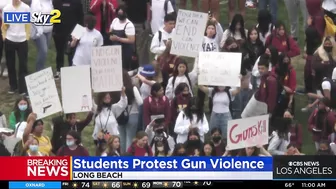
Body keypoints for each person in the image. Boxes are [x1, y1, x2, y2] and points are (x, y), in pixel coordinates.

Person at [2, 0, 30, 95]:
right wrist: (4, 36)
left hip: (22, 40)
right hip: (10, 39)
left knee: (23, 65)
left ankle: (23, 88)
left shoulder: (26, 8)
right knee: (10, 64)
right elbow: (4, 25)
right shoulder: (7, 9)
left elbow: (28, 24)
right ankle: (13, 86)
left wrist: (27, 36)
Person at [53, 0, 84, 79]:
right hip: (59, 32)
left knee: (71, 53)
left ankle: (71, 71)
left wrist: (77, 35)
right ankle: (59, 70)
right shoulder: (56, 2)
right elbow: (54, 17)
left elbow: (81, 20)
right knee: (59, 52)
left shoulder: (77, 3)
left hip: (73, 33)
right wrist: (54, 30)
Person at [123, 0, 151, 67]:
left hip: (140, 23)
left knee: (142, 48)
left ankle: (142, 67)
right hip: (132, 23)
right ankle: (132, 66)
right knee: (134, 47)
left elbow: (148, 6)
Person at [109, 5, 137, 71]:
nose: (120, 15)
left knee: (124, 69)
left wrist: (118, 39)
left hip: (125, 52)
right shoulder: (115, 21)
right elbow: (110, 31)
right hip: (115, 51)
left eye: (121, 13)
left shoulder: (129, 25)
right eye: (119, 13)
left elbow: (131, 40)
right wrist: (111, 36)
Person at [30, 0, 53, 71]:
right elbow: (34, 16)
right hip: (39, 30)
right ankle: (39, 70)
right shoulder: (36, 2)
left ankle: (42, 67)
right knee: (44, 50)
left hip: (49, 29)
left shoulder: (50, 2)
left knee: (43, 51)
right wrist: (39, 29)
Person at [272, 53, 297, 118]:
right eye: (284, 60)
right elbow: (273, 80)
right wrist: (283, 86)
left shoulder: (291, 70)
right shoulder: (275, 69)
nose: (286, 62)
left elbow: (292, 88)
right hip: (276, 95)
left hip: (286, 96)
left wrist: (291, 100)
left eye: (287, 60)